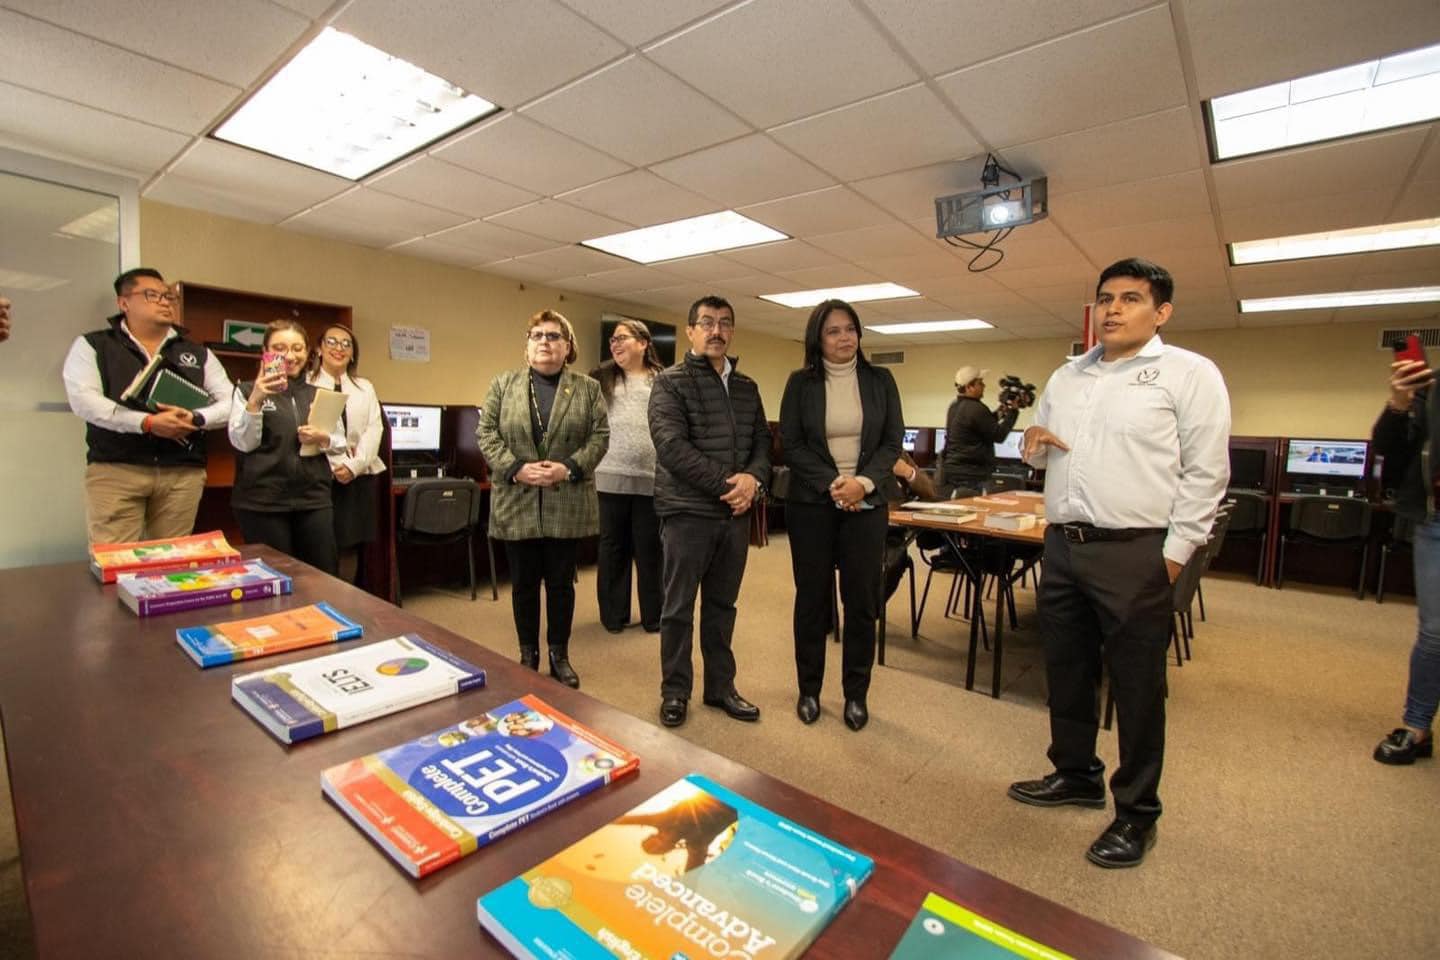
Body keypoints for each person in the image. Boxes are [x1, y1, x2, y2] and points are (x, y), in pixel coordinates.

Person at [1007, 258, 1230, 869]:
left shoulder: (1188, 374)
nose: (1112, 309)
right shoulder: (1066, 376)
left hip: (1137, 550)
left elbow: (1208, 474)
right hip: (1063, 544)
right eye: (1106, 298)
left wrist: (1175, 557)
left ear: (1160, 313)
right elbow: (1042, 455)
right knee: (1068, 668)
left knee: (1135, 688)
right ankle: (1075, 773)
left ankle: (1136, 814)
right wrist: (1031, 446)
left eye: (1131, 299)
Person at [779, 299, 903, 731]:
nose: (844, 337)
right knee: (812, 600)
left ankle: (856, 694)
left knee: (862, 602)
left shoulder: (880, 380)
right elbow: (791, 445)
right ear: (818, 338)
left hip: (867, 506)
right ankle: (809, 689)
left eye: (850, 329)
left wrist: (862, 484)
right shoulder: (801, 383)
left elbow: (892, 441)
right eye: (833, 331)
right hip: (812, 505)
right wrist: (835, 483)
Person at [649, 295, 770, 728]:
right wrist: (731, 486)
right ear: (690, 331)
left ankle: (720, 688)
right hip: (687, 513)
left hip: (733, 518)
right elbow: (672, 448)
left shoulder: (747, 387)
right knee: (678, 608)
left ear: (732, 331)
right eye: (706, 323)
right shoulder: (669, 382)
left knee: (723, 606)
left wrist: (753, 480)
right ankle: (675, 691)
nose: (716, 330)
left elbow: (762, 443)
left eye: (724, 323)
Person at [477, 309, 608, 689]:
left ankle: (559, 655)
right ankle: (527, 655)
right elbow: (486, 434)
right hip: (517, 496)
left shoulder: (587, 388)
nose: (545, 342)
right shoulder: (503, 385)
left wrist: (567, 468)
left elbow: (600, 437)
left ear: (568, 346)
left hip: (565, 497)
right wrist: (516, 467)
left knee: (561, 584)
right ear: (527, 346)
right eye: (537, 335)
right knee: (522, 583)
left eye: (553, 336)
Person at [62, 268, 232, 544]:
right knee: (116, 562)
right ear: (124, 303)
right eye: (152, 295)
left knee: (173, 562)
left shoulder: (198, 353)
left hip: (181, 474)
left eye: (168, 296)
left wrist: (196, 418)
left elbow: (230, 402)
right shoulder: (95, 345)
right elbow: (84, 401)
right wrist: (146, 423)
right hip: (117, 469)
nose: (165, 301)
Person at [228, 319, 343, 574]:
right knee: (276, 578)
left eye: (297, 348)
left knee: (324, 574)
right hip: (263, 502)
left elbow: (340, 443)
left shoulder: (319, 394)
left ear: (308, 352)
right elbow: (242, 442)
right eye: (279, 348)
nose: (289, 356)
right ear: (265, 352)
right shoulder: (245, 390)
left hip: (313, 499)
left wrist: (322, 438)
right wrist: (256, 401)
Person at [1370, 350, 1438, 764]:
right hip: (1435, 520)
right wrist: (1400, 404)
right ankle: (1417, 726)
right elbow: (1387, 452)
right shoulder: (1429, 389)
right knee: (1435, 633)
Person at [590, 320, 665, 634]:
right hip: (610, 475)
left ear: (643, 343)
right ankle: (613, 616)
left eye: (622, 338)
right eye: (612, 340)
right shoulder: (600, 378)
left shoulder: (663, 380)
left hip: (652, 479)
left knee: (650, 550)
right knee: (613, 549)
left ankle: (654, 617)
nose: (615, 345)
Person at [307, 324, 385, 585]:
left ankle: (344, 604)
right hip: (317, 474)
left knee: (348, 546)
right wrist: (334, 464)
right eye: (332, 342)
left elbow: (375, 429)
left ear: (353, 354)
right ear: (319, 348)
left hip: (357, 476)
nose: (339, 348)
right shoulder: (306, 383)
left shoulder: (364, 387)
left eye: (346, 344)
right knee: (318, 545)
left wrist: (354, 466)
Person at [941, 364, 1018, 497]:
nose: (984, 386)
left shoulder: (955, 406)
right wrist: (1014, 412)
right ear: (969, 387)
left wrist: (1000, 412)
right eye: (980, 383)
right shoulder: (976, 409)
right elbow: (999, 435)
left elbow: (981, 425)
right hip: (971, 474)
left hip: (955, 470)